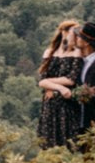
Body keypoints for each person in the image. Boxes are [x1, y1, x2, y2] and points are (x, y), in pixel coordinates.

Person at [35, 19, 87, 148]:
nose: (75, 34)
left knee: (67, 139)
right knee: (48, 140)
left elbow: (71, 79)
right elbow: (42, 79)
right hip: (50, 103)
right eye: (72, 31)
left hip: (67, 104)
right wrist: (57, 87)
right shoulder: (49, 52)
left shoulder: (77, 52)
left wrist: (48, 83)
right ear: (63, 32)